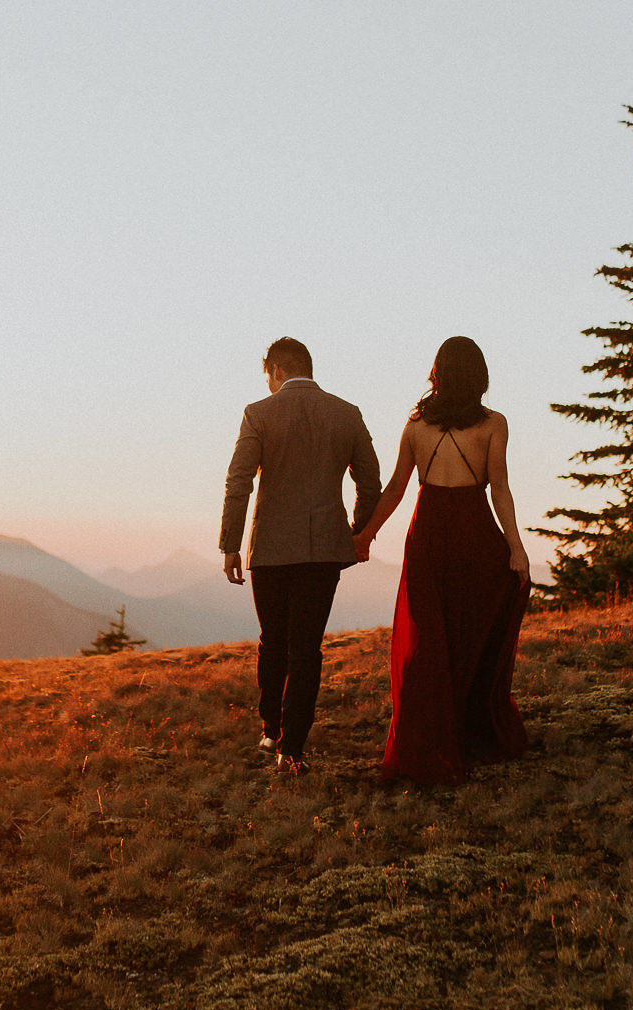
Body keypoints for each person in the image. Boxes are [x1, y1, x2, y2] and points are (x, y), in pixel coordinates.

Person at [354, 335, 530, 784]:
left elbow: (395, 488)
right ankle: (470, 729)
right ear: (479, 376)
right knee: (469, 633)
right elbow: (500, 489)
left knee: (428, 640)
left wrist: (366, 535)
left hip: (428, 535)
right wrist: (516, 547)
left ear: (438, 372)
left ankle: (428, 738)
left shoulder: (416, 426)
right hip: (474, 533)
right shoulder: (494, 424)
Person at [220, 336, 381, 776]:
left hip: (270, 547)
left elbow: (239, 481)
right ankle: (292, 748)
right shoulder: (346, 413)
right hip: (324, 549)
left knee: (273, 640)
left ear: (275, 370)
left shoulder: (258, 413)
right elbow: (370, 482)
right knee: (307, 648)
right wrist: (355, 530)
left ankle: (271, 727)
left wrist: (230, 543)